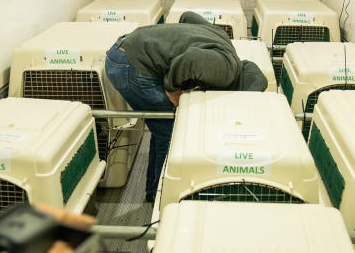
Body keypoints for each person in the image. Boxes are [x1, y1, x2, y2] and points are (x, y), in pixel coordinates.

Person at [105, 11, 268, 202]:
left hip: (127, 45)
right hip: (130, 65)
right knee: (173, 135)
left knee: (161, 127)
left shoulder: (224, 42)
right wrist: (172, 87)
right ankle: (163, 199)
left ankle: (152, 190)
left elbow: (187, 17)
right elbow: (190, 59)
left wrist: (174, 41)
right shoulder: (226, 71)